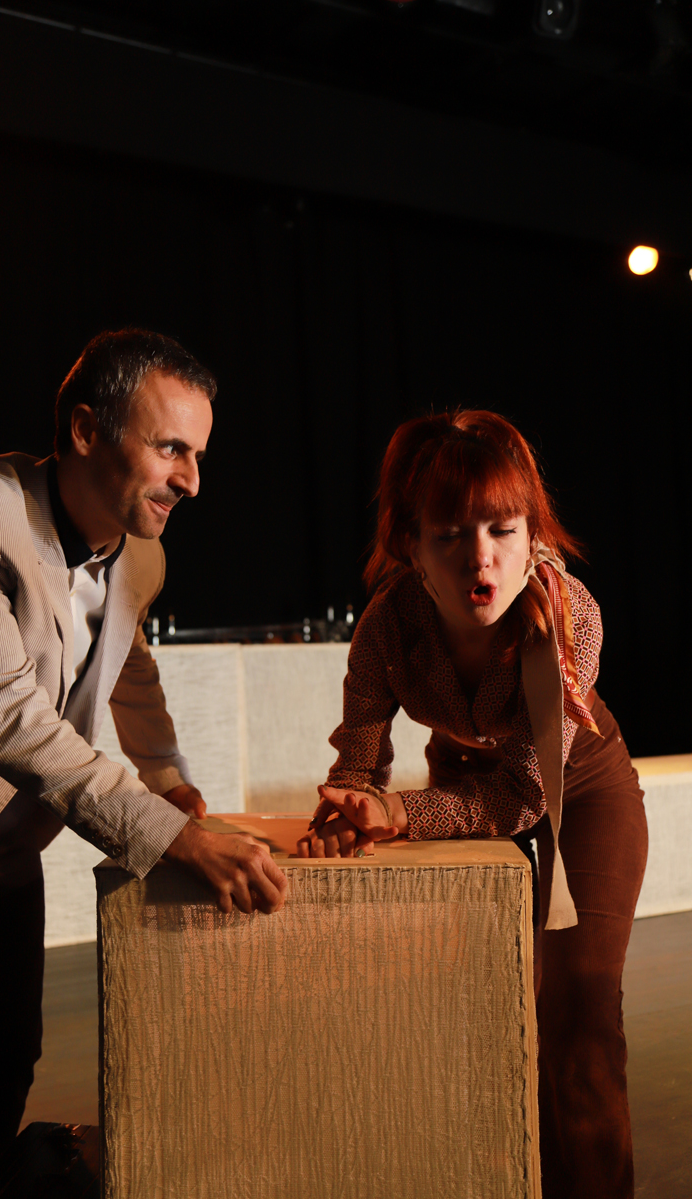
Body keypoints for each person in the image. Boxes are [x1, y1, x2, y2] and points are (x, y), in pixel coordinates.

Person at [0, 329, 287, 1199]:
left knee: (6, 1047)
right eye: (171, 448)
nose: (192, 479)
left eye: (198, 454)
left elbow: (127, 660)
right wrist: (175, 838)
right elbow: (5, 716)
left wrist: (167, 776)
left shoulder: (143, 552)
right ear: (83, 430)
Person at [297, 410, 647, 1199]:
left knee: (580, 1014)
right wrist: (345, 814)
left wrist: (400, 815)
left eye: (501, 529)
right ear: (411, 545)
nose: (479, 557)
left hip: (578, 788)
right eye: (450, 534)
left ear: (532, 538)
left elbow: (524, 794)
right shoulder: (388, 625)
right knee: (490, 1012)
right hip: (462, 781)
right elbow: (359, 760)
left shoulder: (568, 618)